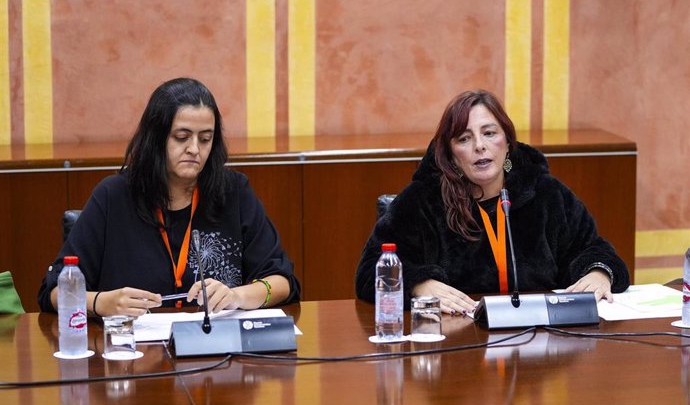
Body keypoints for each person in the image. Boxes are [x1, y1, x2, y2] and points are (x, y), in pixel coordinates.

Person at [38, 78, 300, 317]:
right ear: (156, 139)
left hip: (216, 357)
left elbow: (282, 281)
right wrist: (100, 302)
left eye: (205, 139)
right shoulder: (113, 196)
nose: (194, 149)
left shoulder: (233, 192)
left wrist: (237, 295)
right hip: (133, 358)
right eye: (182, 137)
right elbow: (52, 291)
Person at [355, 89, 629, 315]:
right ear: (451, 154)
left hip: (539, 346)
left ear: (508, 142)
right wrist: (418, 284)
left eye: (489, 133)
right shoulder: (423, 201)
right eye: (464, 138)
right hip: (458, 344)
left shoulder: (546, 193)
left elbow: (593, 249)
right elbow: (369, 273)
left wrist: (599, 273)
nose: (479, 146)